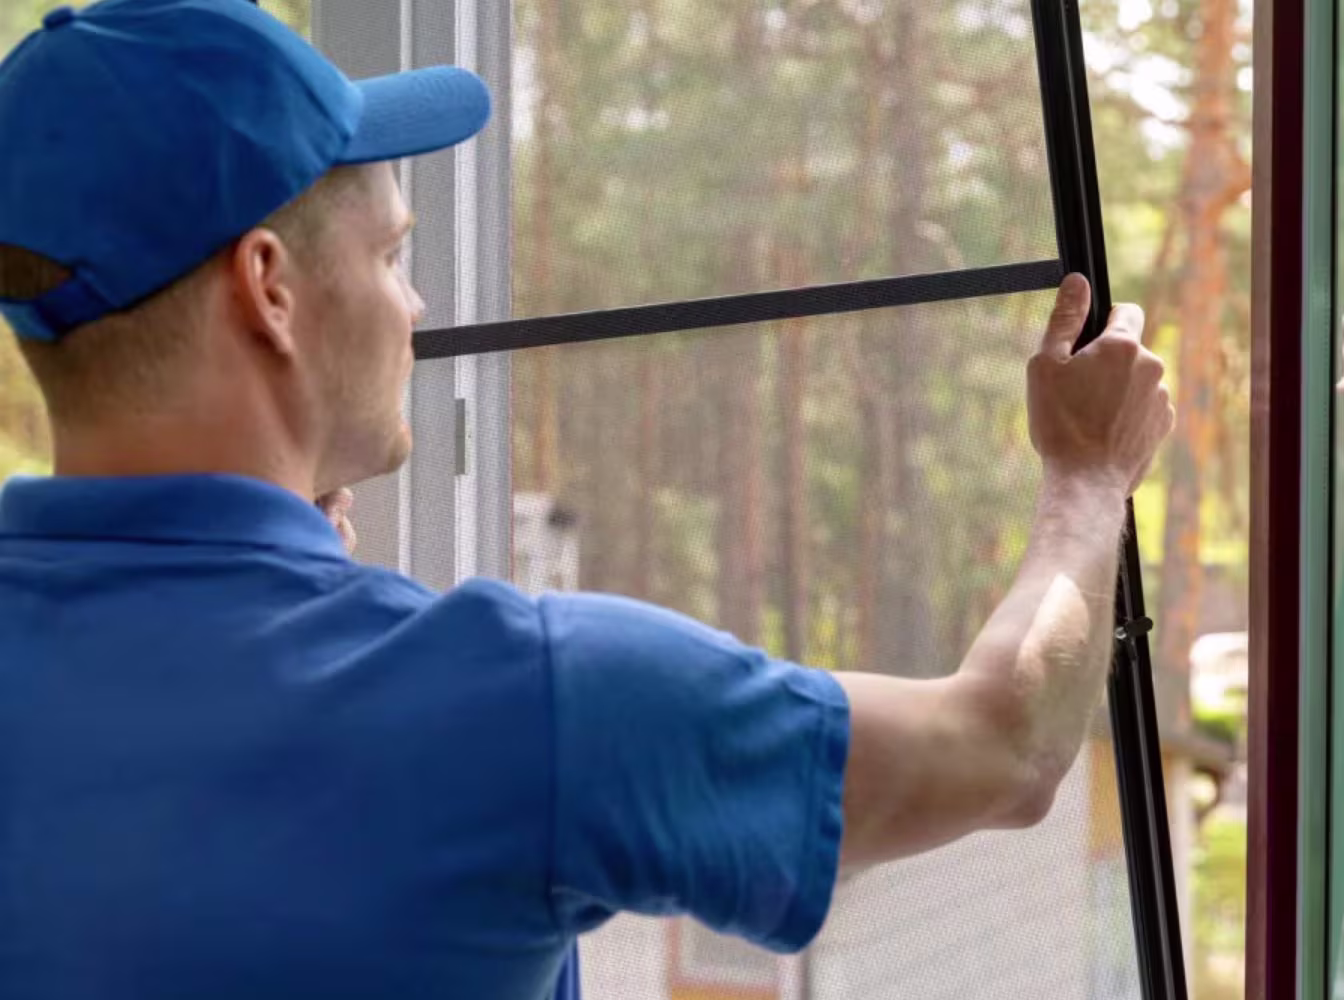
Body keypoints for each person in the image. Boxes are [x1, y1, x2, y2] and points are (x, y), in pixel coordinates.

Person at [0, 2, 1176, 999]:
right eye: (396, 257)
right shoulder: (519, 705)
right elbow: (1006, 746)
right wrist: (1088, 479)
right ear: (270, 287)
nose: (414, 308)